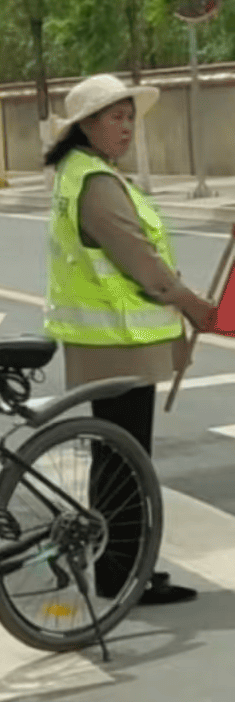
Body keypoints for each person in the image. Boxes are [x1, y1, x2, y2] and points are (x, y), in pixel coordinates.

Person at [43, 73, 216, 606]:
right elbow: (142, 262)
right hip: (118, 341)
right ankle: (122, 574)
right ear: (86, 126)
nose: (125, 128)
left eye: (128, 117)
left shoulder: (84, 174)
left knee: (117, 457)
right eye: (114, 118)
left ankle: (121, 568)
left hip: (113, 342)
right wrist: (194, 306)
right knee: (124, 459)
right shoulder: (94, 183)